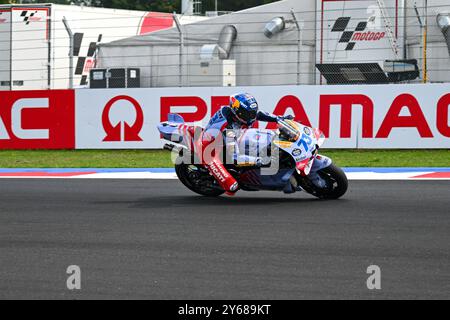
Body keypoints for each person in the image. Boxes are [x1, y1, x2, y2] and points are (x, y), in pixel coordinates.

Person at [201, 93, 293, 194]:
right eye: (248, 114)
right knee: (232, 187)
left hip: (233, 137)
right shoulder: (230, 128)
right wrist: (258, 160)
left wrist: (278, 118)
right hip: (212, 148)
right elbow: (235, 157)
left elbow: (259, 114)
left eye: (252, 113)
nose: (252, 117)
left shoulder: (239, 112)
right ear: (237, 112)